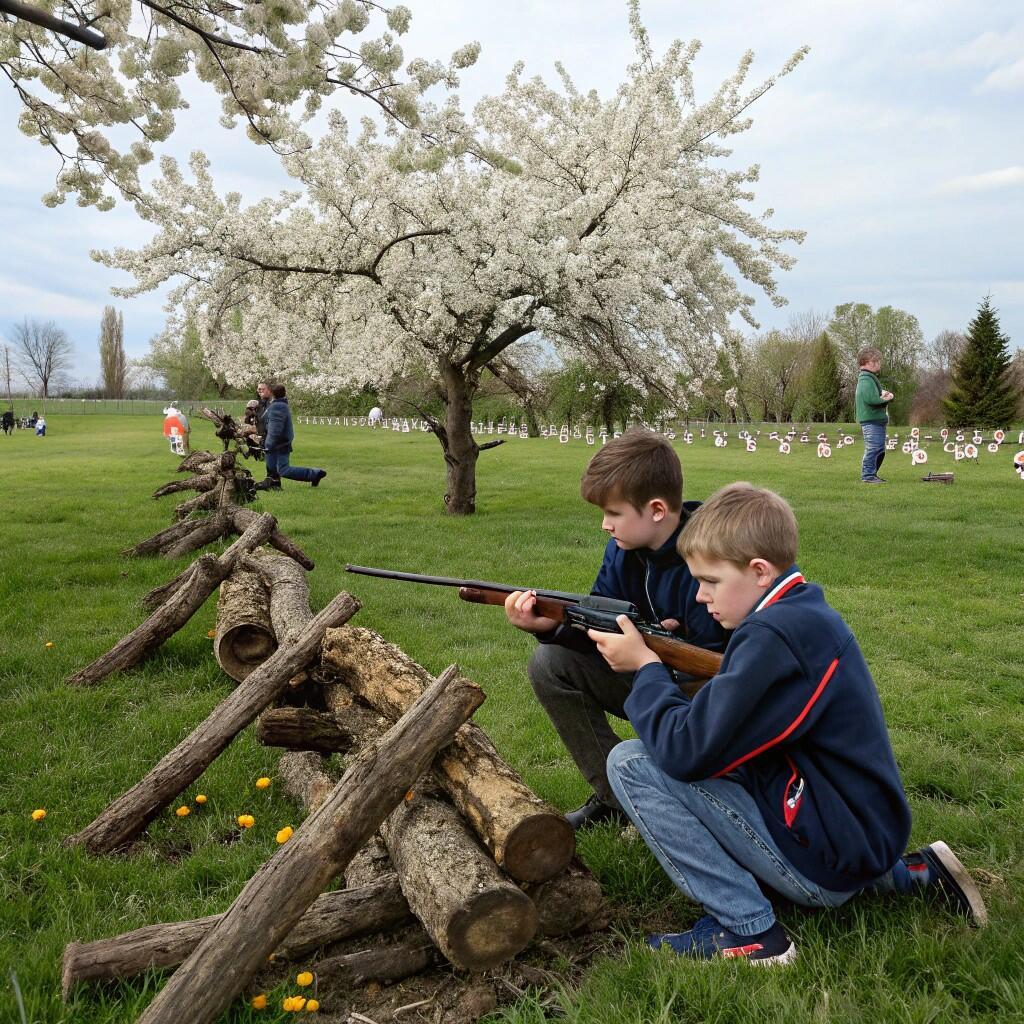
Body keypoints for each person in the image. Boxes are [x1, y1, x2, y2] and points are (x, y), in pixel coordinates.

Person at [588, 482, 986, 963]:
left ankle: (751, 931)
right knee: (717, 759)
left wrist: (646, 668)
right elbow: (724, 735)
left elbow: (683, 752)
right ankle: (908, 876)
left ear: (758, 571)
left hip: (831, 852)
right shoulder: (800, 612)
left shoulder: (773, 637)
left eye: (710, 582)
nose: (699, 597)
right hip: (854, 830)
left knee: (632, 762)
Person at [504, 428, 726, 830]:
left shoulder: (713, 552)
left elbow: (714, 658)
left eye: (614, 513)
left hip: (708, 699)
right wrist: (549, 627)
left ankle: (683, 806)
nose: (606, 525)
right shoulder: (622, 550)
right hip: (649, 675)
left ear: (657, 510)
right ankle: (617, 796)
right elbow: (598, 622)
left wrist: (656, 647)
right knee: (550, 663)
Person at [257, 383, 327, 489]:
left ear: (272, 393)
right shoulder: (282, 405)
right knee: (275, 468)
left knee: (283, 470)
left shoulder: (277, 406)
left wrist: (268, 445)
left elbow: (275, 431)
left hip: (279, 444)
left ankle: (314, 474)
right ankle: (274, 485)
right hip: (282, 443)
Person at [856, 347, 893, 484]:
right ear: (869, 362)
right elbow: (870, 399)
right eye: (877, 361)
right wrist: (886, 399)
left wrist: (883, 395)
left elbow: (873, 396)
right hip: (871, 420)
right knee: (874, 448)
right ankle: (868, 475)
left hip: (875, 420)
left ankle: (872, 474)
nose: (879, 364)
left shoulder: (869, 378)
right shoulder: (866, 379)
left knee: (879, 449)